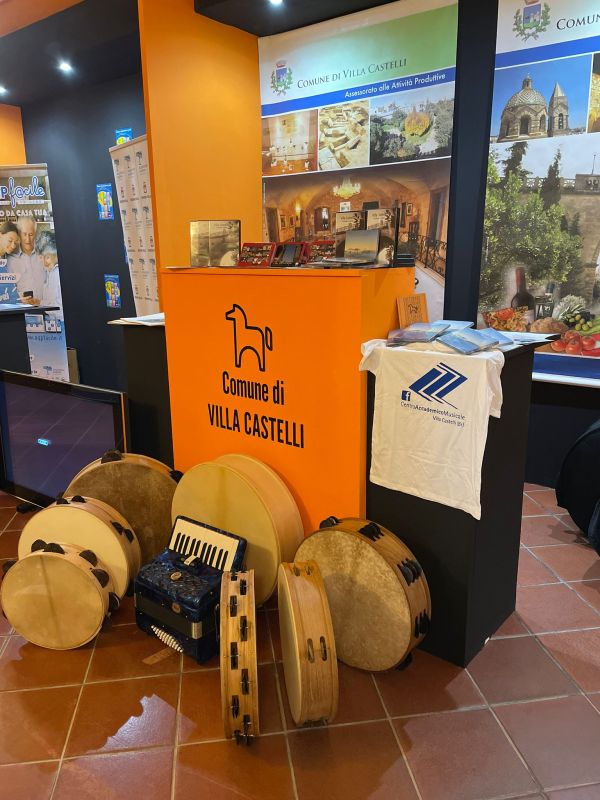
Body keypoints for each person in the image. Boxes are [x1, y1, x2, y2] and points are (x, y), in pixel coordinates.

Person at [7, 217, 45, 303]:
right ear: (19, 234)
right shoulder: (9, 260)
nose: (28, 240)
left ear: (35, 234)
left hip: (46, 308)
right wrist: (17, 299)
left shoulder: (44, 255)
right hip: (22, 309)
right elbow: (7, 292)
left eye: (31, 234)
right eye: (24, 234)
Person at [38, 232, 63, 309]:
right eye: (41, 257)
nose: (44, 263)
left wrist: (39, 303)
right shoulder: (49, 271)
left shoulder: (57, 272)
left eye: (48, 257)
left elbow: (60, 308)